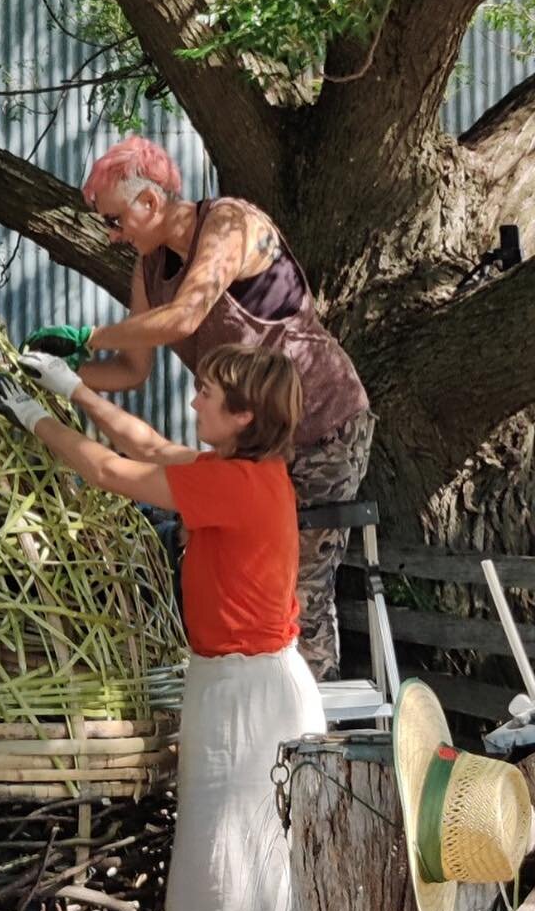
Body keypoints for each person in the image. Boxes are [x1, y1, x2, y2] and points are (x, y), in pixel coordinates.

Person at [0, 344, 325, 911]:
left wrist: (34, 420)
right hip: (250, 688)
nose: (195, 400)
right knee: (257, 880)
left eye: (209, 394)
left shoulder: (236, 486)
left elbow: (115, 471)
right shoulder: (246, 473)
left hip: (245, 702)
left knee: (225, 880)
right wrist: (76, 390)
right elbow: (151, 446)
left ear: (243, 417)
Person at [28, 135, 372, 681]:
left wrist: (87, 335)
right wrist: (52, 377)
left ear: (148, 203)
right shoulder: (148, 270)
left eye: (116, 221)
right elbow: (133, 370)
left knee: (298, 581)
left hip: (319, 425)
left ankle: (312, 734)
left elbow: (186, 316)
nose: (112, 236)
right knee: (237, 568)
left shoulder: (230, 224)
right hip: (251, 443)